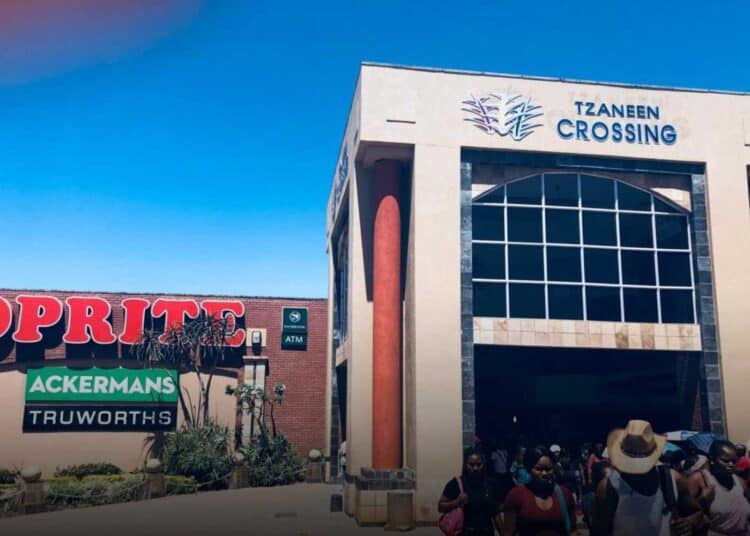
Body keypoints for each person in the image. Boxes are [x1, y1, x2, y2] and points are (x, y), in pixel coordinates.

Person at [592, 419, 703, 536]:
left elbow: (697, 512)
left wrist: (689, 523)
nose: (634, 471)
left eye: (640, 466)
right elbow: (599, 531)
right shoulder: (609, 488)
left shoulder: (672, 480)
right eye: (630, 464)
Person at [502, 445, 575, 535]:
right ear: (529, 469)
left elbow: (573, 530)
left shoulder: (565, 494)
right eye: (538, 469)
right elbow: (508, 532)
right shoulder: (515, 496)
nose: (544, 473)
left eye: (548, 469)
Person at [688, 439, 750, 536]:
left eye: (734, 461)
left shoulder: (740, 482)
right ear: (712, 458)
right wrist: (703, 499)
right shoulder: (699, 479)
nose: (731, 465)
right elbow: (686, 514)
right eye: (725, 461)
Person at [439, 447, 502, 536]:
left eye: (479, 464)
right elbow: (440, 507)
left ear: (484, 464)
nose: (475, 468)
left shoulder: (491, 485)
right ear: (465, 465)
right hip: (464, 533)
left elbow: (496, 514)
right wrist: (456, 502)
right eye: (471, 465)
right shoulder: (456, 484)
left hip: (486, 532)